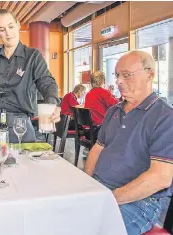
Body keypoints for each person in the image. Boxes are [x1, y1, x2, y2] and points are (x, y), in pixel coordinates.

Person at [85, 51, 173, 235]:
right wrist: (87, 185)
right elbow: (97, 150)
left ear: (150, 74)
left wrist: (109, 198)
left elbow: (160, 177)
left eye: (127, 75)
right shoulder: (113, 111)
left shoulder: (165, 116)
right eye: (117, 75)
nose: (118, 81)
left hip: (138, 201)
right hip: (100, 188)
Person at [0, 9, 61, 144]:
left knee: (23, 164)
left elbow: (47, 82)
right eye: (2, 30)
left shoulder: (33, 56)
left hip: (19, 124)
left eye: (11, 26)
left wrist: (52, 103)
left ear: (18, 25)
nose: (8, 33)